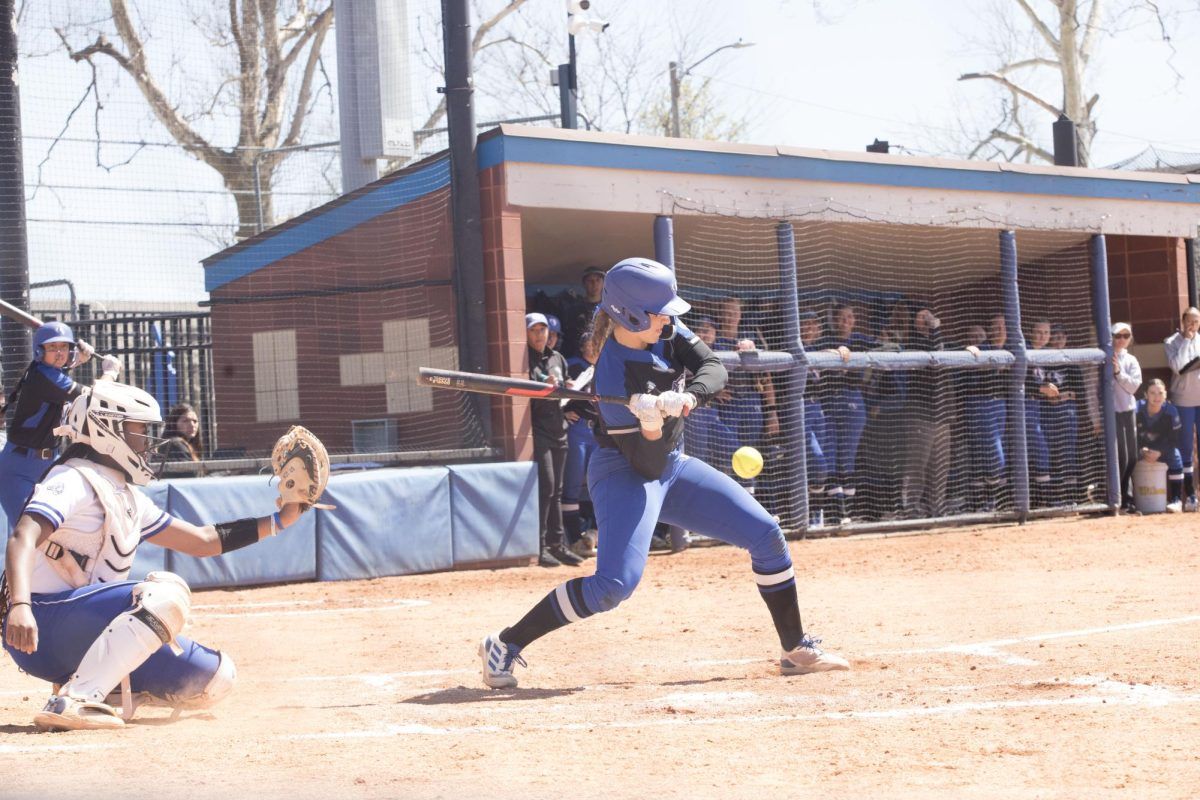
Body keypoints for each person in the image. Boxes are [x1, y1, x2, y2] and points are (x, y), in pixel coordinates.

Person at [479, 258, 849, 689]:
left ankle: (794, 649)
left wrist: (688, 398)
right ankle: (504, 645)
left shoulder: (667, 329)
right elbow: (643, 463)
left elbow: (714, 367)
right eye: (659, 310)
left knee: (766, 534)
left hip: (670, 464)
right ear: (630, 314)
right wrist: (651, 426)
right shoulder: (613, 372)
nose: (669, 316)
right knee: (612, 586)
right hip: (623, 470)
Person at [1, 380, 313, 731]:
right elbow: (21, 536)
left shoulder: (126, 495)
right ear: (107, 428)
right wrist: (21, 606)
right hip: (43, 626)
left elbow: (202, 541)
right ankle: (76, 698)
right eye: (140, 430)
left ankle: (105, 688)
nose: (149, 442)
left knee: (215, 679)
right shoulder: (73, 477)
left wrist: (280, 520)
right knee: (165, 594)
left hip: (83, 635)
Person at [1, 322, 120, 535]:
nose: (59, 353)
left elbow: (60, 374)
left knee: (59, 535)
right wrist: (109, 373)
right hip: (18, 468)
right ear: (40, 351)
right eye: (52, 347)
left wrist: (78, 360)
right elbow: (94, 398)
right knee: (27, 536)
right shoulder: (42, 375)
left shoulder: (50, 373)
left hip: (50, 466)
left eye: (64, 347)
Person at [526, 312, 583, 568]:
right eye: (534, 330)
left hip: (558, 428)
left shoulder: (557, 358)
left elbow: (564, 392)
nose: (539, 335)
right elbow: (523, 395)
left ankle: (558, 546)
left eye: (543, 330)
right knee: (546, 487)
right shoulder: (523, 358)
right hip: (537, 430)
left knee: (557, 490)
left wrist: (568, 387)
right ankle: (539, 548)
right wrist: (542, 388)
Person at [817, 302, 873, 525]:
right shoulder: (826, 339)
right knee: (829, 456)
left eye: (849, 317)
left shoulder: (860, 339)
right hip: (829, 402)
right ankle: (832, 514)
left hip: (853, 402)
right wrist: (830, 353)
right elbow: (808, 350)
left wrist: (856, 354)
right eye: (841, 318)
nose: (845, 322)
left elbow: (886, 348)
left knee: (847, 459)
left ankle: (846, 514)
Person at [902, 306, 951, 517]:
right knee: (917, 465)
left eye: (928, 316)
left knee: (940, 466)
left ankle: (936, 509)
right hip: (920, 414)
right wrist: (936, 328)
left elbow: (944, 353)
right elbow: (934, 358)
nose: (927, 319)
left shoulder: (941, 340)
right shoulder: (912, 342)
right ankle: (910, 508)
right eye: (921, 317)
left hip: (943, 414)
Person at [963, 314, 1010, 511]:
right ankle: (987, 502)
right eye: (995, 327)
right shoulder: (983, 348)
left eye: (1003, 326)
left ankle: (986, 503)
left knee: (987, 455)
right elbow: (966, 351)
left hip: (1002, 406)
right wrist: (970, 349)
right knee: (993, 455)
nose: (999, 330)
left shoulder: (1012, 348)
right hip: (981, 404)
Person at [562, 332, 600, 558]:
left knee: (600, 485)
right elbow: (559, 394)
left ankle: (594, 535)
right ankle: (574, 539)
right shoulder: (574, 365)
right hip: (577, 431)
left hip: (598, 431)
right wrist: (564, 411)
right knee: (573, 485)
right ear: (583, 345)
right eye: (589, 342)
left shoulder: (607, 366)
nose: (593, 346)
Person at [1163, 309, 1200, 511]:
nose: (1193, 325)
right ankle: (1189, 495)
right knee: (1185, 447)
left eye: (1197, 321)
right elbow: (1177, 366)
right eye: (1190, 321)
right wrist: (1186, 340)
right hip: (1183, 401)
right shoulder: (1171, 342)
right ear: (1183, 321)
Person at [1043, 324, 1082, 505]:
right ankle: (1054, 498)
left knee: (1067, 453)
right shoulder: (1042, 358)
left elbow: (1079, 391)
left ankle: (1071, 497)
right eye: (1055, 337)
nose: (1058, 341)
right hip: (1047, 413)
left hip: (1067, 412)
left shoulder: (1070, 361)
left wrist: (1061, 396)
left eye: (1061, 337)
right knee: (1051, 454)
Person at [1136, 378, 1184, 514]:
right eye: (1152, 393)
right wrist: (1141, 449)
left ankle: (1176, 500)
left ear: (1166, 394)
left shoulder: (1171, 411)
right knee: (1127, 455)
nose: (1157, 397)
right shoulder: (1136, 408)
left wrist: (1160, 451)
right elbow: (1129, 436)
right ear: (1145, 395)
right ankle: (1129, 502)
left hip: (1162, 448)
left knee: (1176, 455)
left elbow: (1174, 439)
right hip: (1140, 447)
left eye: (1160, 393)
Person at [1024, 320, 1055, 505]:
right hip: (1022, 407)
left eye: (1046, 332)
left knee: (1040, 451)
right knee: (1039, 450)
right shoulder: (1024, 349)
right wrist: (1041, 389)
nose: (1043, 336)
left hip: (1038, 408)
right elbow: (1019, 380)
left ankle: (1039, 500)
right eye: (1039, 332)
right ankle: (1042, 501)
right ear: (1030, 332)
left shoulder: (1044, 354)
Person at [562, 266, 606, 359]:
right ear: (584, 284)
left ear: (603, 283)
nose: (594, 284)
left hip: (604, 355)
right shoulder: (574, 309)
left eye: (598, 280)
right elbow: (569, 337)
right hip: (579, 358)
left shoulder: (608, 308)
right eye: (590, 281)